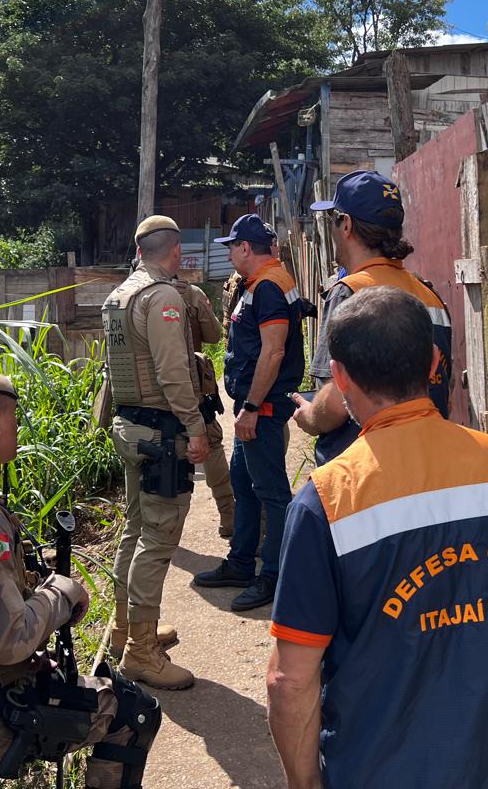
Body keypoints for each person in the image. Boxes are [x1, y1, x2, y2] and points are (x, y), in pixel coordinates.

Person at [267, 287, 488, 789]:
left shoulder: (326, 501)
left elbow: (290, 679)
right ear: (433, 361)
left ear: (338, 377)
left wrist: (304, 783)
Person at [0, 369, 160, 788]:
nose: (18, 428)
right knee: (133, 711)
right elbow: (6, 639)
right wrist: (62, 591)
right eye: (15, 418)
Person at [102, 215, 209, 689]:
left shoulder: (119, 295)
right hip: (162, 433)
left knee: (136, 529)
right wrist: (196, 428)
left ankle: (124, 634)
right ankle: (141, 653)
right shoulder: (164, 297)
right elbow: (173, 374)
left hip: (129, 427)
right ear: (176, 252)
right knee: (158, 539)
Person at [292, 169, 454, 465]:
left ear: (346, 225)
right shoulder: (430, 295)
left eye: (333, 220)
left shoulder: (350, 292)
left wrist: (310, 417)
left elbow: (336, 400)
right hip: (427, 460)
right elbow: (446, 384)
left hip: (363, 466)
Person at [193, 214, 305, 612]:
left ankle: (274, 576)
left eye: (231, 247)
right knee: (243, 481)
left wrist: (253, 408)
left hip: (263, 406)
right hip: (254, 405)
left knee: (272, 494)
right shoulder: (262, 282)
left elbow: (273, 352)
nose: (229, 254)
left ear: (245, 248)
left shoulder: (269, 287)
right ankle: (241, 563)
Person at [173, 276, 237, 537]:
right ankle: (229, 517)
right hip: (189, 385)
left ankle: (157, 533)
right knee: (210, 444)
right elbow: (213, 335)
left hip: (147, 399)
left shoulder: (128, 296)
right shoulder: (189, 293)